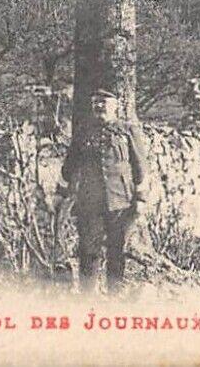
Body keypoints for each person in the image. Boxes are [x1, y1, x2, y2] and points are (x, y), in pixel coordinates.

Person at [62, 88, 150, 291]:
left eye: (104, 103)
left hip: (120, 201)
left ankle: (114, 296)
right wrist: (61, 193)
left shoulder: (128, 131)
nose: (99, 106)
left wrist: (141, 198)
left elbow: (141, 167)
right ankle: (87, 296)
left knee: (116, 250)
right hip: (89, 202)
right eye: (96, 103)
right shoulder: (83, 132)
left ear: (115, 106)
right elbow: (70, 165)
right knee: (88, 250)